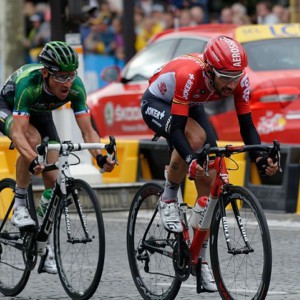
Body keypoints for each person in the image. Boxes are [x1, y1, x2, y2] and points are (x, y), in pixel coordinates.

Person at [141, 35, 278, 292]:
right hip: (158, 102)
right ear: (209, 70)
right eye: (225, 77)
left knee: (209, 183)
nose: (231, 84)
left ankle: (199, 261)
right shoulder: (190, 75)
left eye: (235, 77)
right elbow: (180, 131)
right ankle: (168, 196)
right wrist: (191, 160)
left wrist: (260, 158)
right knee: (195, 139)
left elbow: (247, 126)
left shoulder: (238, 79)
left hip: (192, 104)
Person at [0, 41, 115, 274]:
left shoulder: (76, 87)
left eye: (71, 75)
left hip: (41, 112)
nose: (68, 82)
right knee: (32, 143)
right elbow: (19, 133)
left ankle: (43, 242)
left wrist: (100, 158)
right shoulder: (28, 85)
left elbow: (88, 131)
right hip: (10, 107)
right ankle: (20, 202)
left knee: (52, 178)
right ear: (45, 73)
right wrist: (32, 159)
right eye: (61, 77)